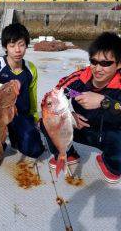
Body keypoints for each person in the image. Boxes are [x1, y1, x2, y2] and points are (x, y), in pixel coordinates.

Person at [41, 32, 121, 183]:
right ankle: (67, 153)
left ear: (119, 64)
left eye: (106, 63)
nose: (98, 68)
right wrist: (69, 115)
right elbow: (52, 96)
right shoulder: (79, 78)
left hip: (110, 134)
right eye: (94, 61)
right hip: (78, 128)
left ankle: (107, 161)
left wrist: (104, 101)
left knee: (117, 163)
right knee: (46, 122)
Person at [0, 23, 44, 170]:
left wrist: (34, 117)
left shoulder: (30, 68)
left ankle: (16, 137)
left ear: (26, 46)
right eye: (12, 45)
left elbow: (32, 95)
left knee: (34, 148)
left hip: (20, 113)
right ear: (5, 47)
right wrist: (3, 88)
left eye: (21, 44)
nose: (17, 50)